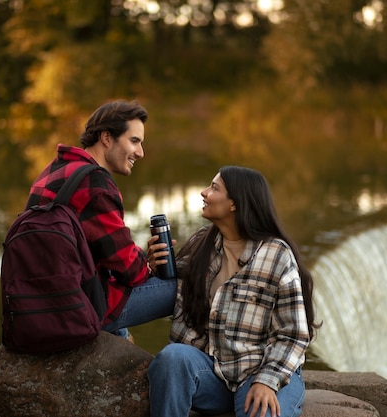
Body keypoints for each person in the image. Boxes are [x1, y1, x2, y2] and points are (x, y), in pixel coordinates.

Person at [147, 165, 319, 417]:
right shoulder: (201, 243)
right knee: (172, 358)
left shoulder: (276, 255)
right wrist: (151, 265)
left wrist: (266, 380)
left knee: (261, 410)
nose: (204, 193)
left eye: (214, 188)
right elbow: (168, 283)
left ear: (234, 204)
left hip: (259, 370)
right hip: (212, 373)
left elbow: (293, 334)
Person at [25, 99, 176, 340]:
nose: (140, 152)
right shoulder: (95, 184)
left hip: (36, 301)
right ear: (107, 138)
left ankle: (120, 343)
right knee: (184, 290)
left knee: (116, 294)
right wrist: (149, 264)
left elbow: (98, 250)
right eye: (134, 141)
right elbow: (131, 271)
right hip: (76, 308)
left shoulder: (55, 168)